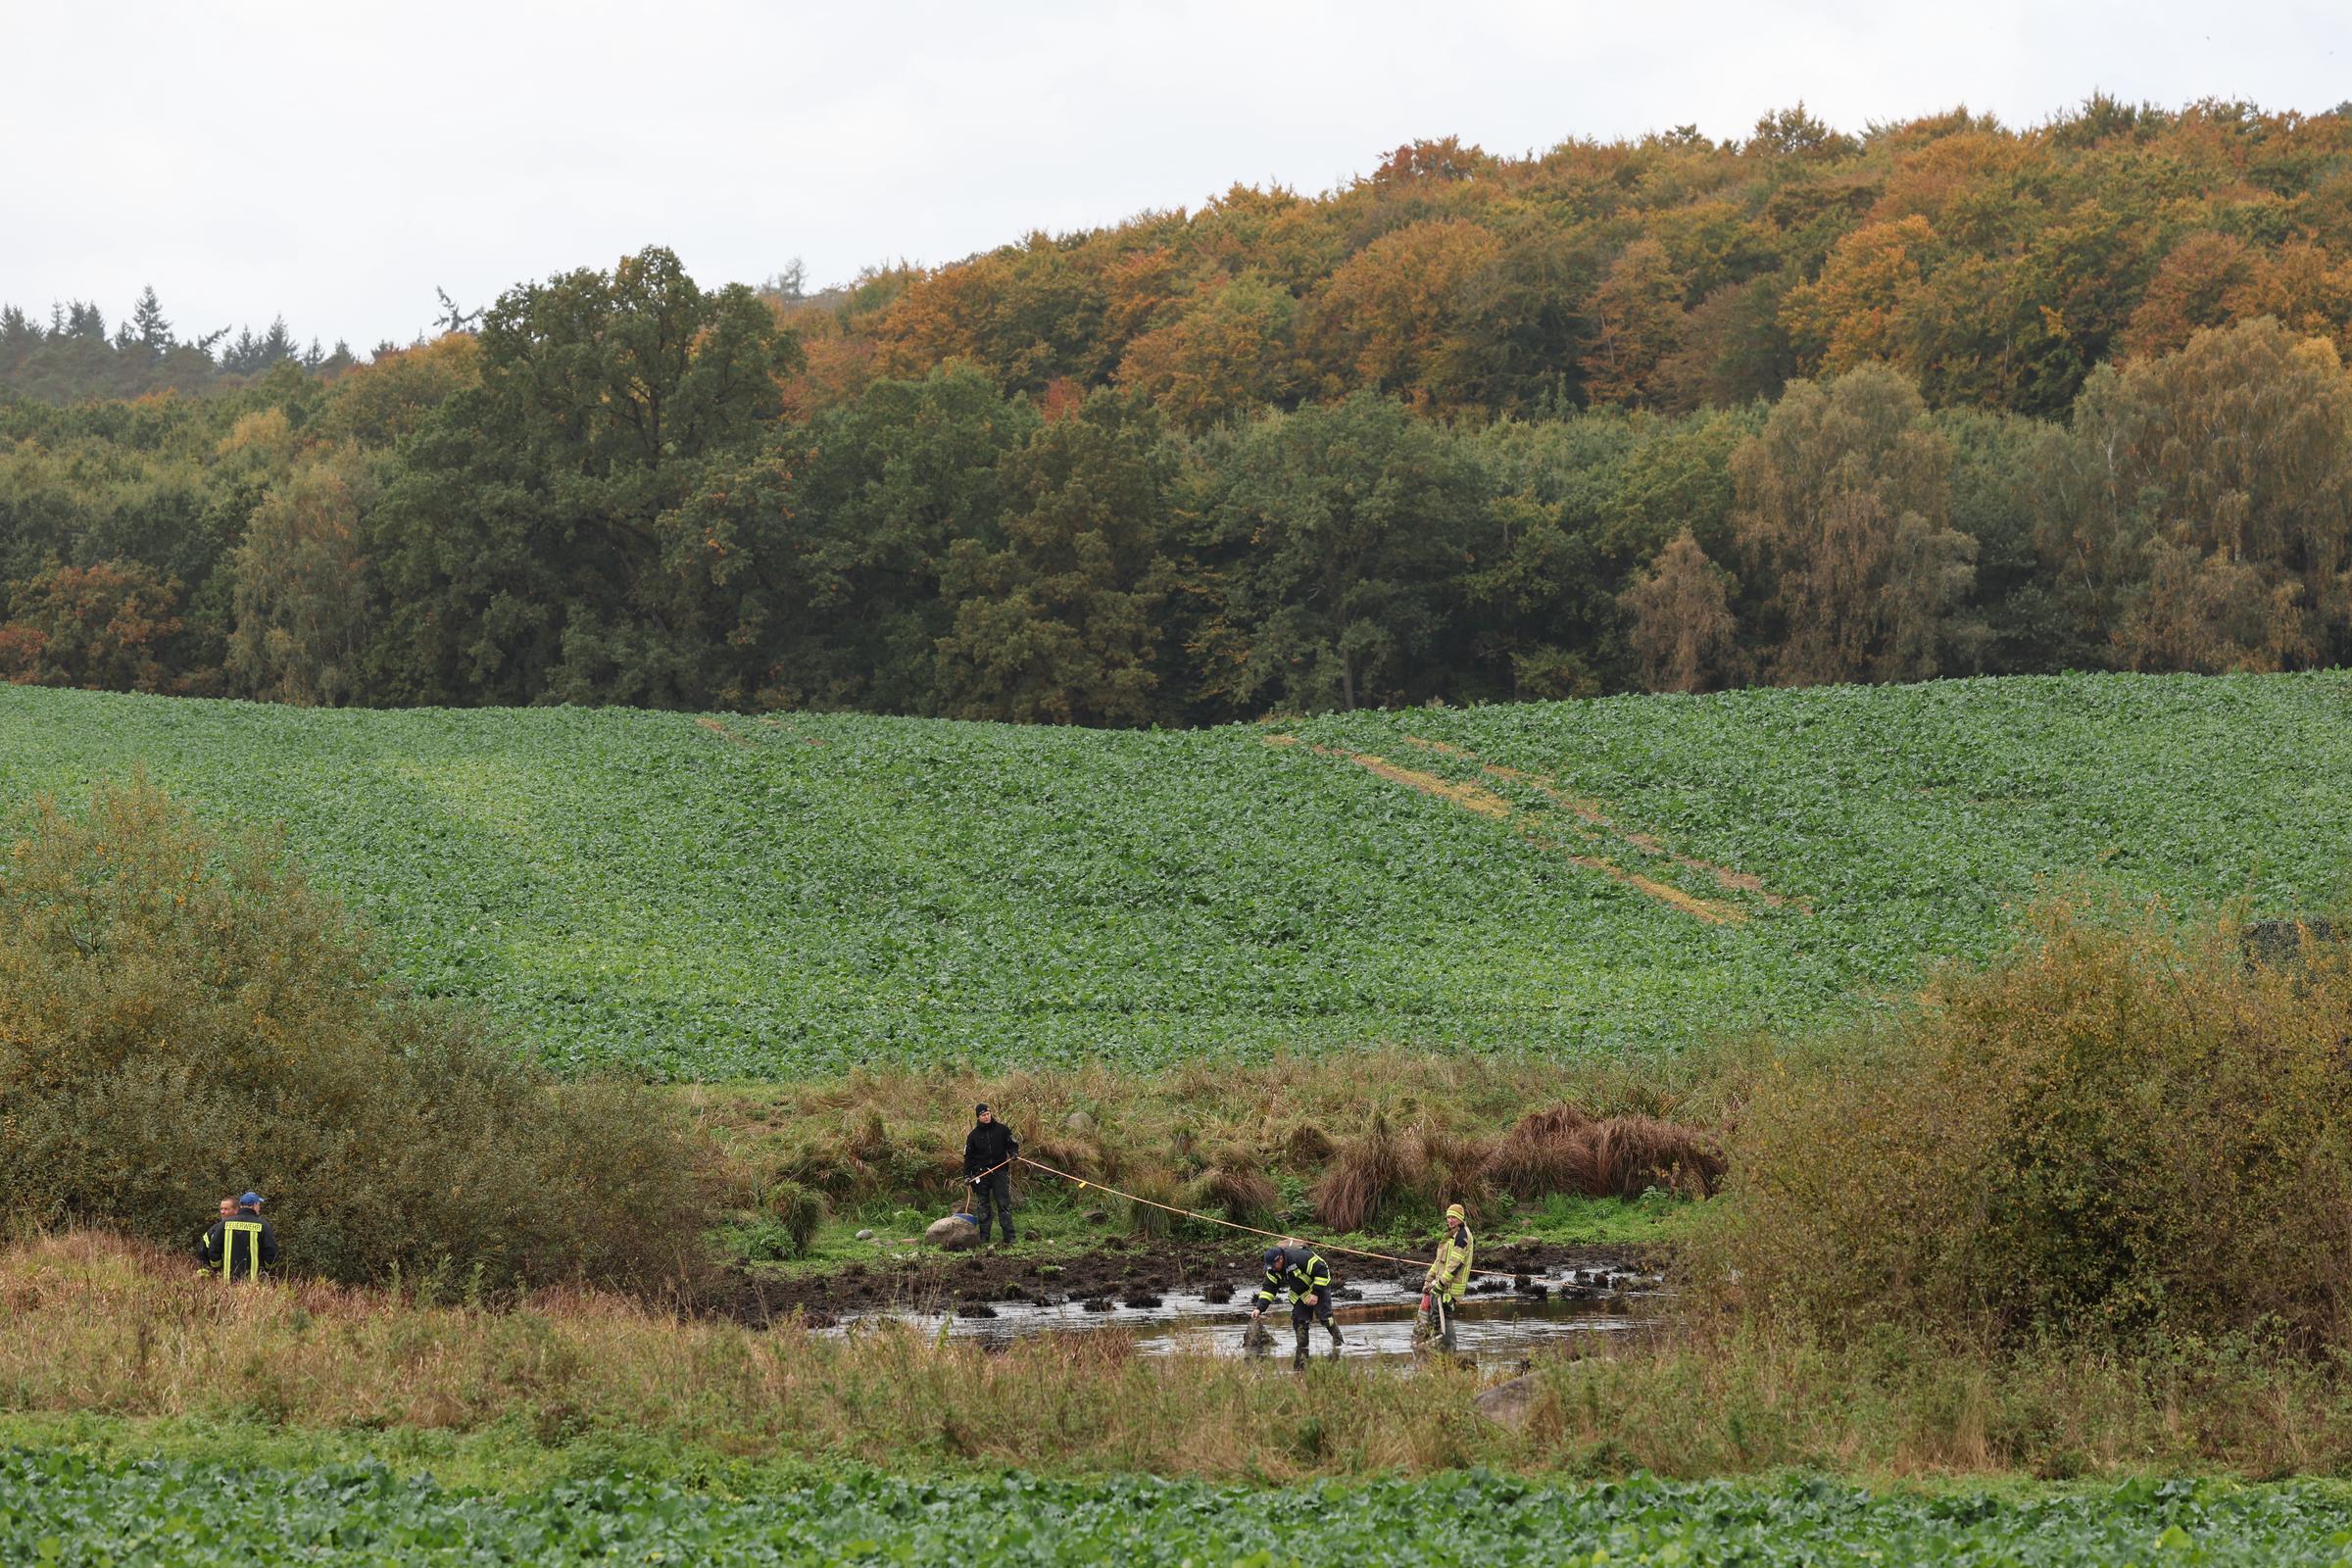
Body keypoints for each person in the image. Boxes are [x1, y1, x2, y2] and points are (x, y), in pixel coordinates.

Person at [1251, 1239, 1342, 1366]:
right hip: (1300, 1291)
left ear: (1281, 1259)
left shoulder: (1299, 1257)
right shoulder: (1272, 1270)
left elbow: (1322, 1271)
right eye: (1269, 1267)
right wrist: (1259, 1308)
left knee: (1325, 1317)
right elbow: (1268, 1289)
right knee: (1299, 1320)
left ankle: (1338, 1344)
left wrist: (1315, 1293)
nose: (1272, 1269)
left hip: (1318, 1283)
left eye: (1273, 1266)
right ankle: (1303, 1351)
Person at [1418, 1202, 1474, 1349]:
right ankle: (1437, 1347)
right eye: (1448, 1217)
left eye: (1453, 1217)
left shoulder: (1462, 1236)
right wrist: (1429, 1279)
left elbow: (1455, 1265)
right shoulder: (1450, 1235)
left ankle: (1449, 1350)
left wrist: (1440, 1285)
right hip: (1442, 1285)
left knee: (1445, 1317)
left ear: (1460, 1218)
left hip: (1451, 1288)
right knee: (1436, 1317)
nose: (1450, 1220)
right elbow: (1439, 1262)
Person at [962, 1103, 1019, 1245]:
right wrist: (967, 1175)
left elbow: (1012, 1144)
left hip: (999, 1171)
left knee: (1003, 1204)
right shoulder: (973, 1136)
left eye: (988, 1114)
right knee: (983, 1205)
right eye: (983, 1115)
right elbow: (968, 1157)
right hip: (981, 1174)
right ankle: (984, 1237)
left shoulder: (1002, 1130)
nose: (987, 1117)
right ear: (978, 1117)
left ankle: (1010, 1237)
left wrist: (1013, 1153)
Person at [202, 1191, 279, 1282]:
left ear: (241, 1206)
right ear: (254, 1206)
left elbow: (213, 1249)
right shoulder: (263, 1225)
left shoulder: (225, 1224)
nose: (259, 1208)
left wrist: (218, 1269)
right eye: (259, 1205)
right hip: (253, 1285)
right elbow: (272, 1253)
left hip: (227, 1283)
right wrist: (267, 1270)